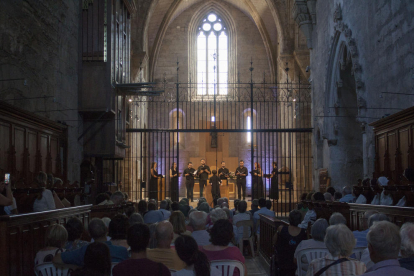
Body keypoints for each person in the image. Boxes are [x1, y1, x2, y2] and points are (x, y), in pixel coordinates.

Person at [53, 218, 129, 266]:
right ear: (106, 230)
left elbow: (56, 259)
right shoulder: (122, 251)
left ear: (89, 234)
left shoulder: (84, 251)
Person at [274, 210, 307, 276]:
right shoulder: (303, 232)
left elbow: (274, 242)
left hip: (282, 262)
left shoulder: (281, 229)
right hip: (296, 263)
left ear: (289, 219)